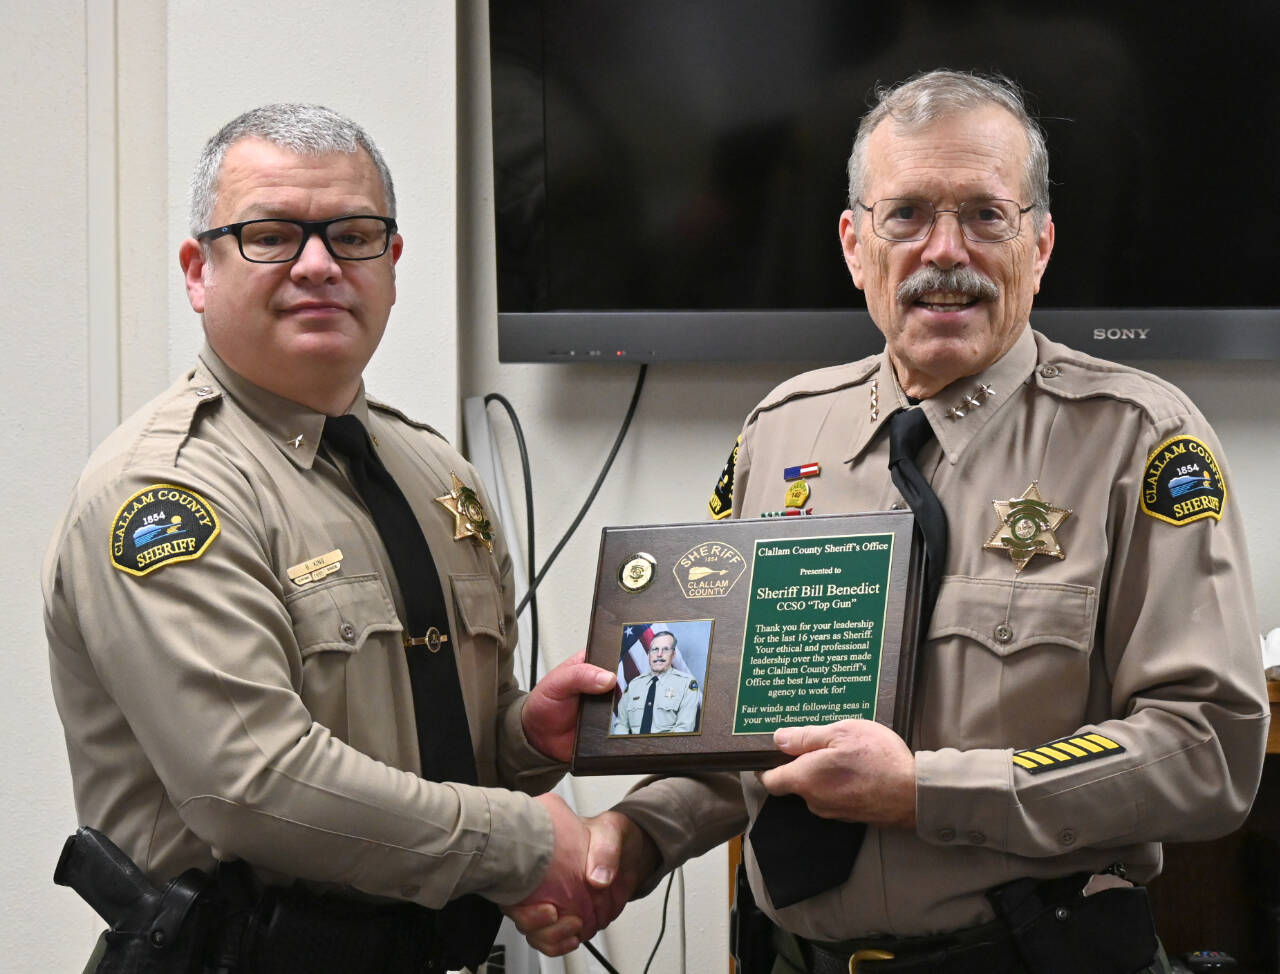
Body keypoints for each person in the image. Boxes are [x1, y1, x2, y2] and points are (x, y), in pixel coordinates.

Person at [512, 70, 1270, 972]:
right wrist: (634, 841)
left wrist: (924, 792)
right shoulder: (780, 433)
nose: (943, 251)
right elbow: (744, 727)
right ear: (854, 245)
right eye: (905, 214)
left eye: (986, 216)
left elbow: (1208, 749)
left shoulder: (1139, 439)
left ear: (1040, 243)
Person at [43, 103, 618, 973]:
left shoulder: (436, 475)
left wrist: (526, 739)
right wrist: (527, 840)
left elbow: (441, 756)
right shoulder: (167, 492)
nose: (318, 265)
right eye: (271, 235)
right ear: (199, 272)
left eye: (351, 234)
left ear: (390, 263)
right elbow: (254, 785)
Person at [610, 631, 702, 735]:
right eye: (655, 650)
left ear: (673, 654)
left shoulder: (687, 684)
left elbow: (684, 728)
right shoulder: (633, 685)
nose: (659, 654)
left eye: (665, 649)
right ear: (648, 655)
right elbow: (621, 724)